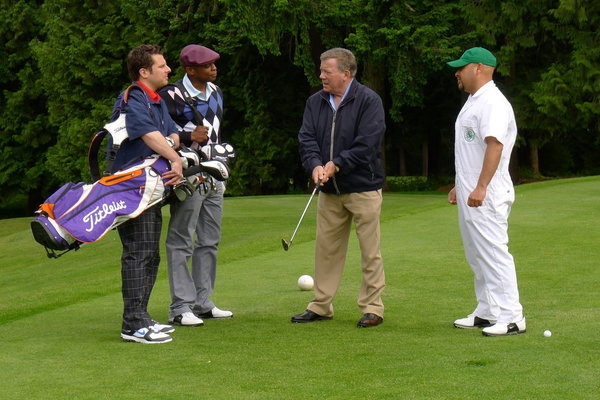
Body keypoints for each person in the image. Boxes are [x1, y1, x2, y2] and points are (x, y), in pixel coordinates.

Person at [291, 48, 386, 328]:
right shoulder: (315, 102)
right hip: (328, 190)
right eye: (321, 71)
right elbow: (306, 138)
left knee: (370, 251)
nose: (321, 76)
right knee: (326, 250)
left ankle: (373, 307)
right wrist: (315, 165)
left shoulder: (368, 100)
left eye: (326, 71)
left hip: (363, 186)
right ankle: (321, 305)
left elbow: (367, 143)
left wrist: (337, 163)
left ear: (346, 73)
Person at [446, 47, 526, 336]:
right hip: (472, 190)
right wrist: (461, 184)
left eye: (462, 67)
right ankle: (488, 310)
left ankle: (512, 316)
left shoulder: (492, 102)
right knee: (476, 253)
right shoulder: (474, 101)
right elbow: (472, 149)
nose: (457, 71)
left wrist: (480, 186)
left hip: (487, 193)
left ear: (478, 68)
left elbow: (494, 146)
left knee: (492, 251)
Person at [158, 44, 232, 327]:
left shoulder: (216, 91)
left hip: (214, 172)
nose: (214, 68)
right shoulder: (170, 94)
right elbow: (160, 133)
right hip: (188, 173)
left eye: (214, 63)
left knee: (209, 240)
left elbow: (214, 132)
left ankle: (203, 302)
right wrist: (188, 137)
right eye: (207, 65)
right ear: (190, 69)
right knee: (181, 239)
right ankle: (180, 307)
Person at [115, 44, 183, 343]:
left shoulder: (155, 100)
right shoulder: (134, 97)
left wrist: (167, 145)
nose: (168, 69)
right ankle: (133, 324)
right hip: (130, 186)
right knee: (138, 253)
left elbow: (174, 134)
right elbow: (148, 134)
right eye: (162, 66)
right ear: (144, 72)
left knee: (149, 254)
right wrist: (174, 157)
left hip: (149, 186)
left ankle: (141, 316)